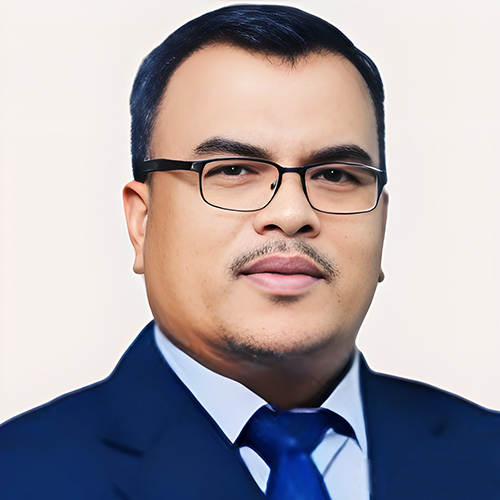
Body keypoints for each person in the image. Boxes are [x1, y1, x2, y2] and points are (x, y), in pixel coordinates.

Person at [1, 4, 499, 499]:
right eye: (233, 170)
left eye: (334, 175)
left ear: (381, 223)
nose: (292, 212)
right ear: (142, 223)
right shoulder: (19, 477)